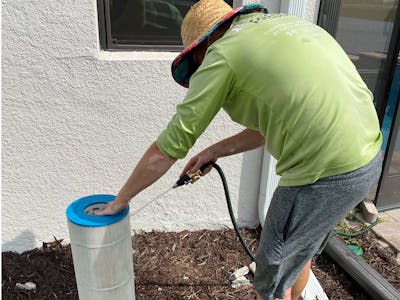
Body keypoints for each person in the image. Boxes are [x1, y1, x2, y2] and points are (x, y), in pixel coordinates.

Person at [96, 1, 383, 299]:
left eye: (196, 63)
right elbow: (267, 127)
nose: (200, 69)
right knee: (298, 251)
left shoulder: (222, 54)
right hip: (367, 156)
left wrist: (120, 201)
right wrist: (212, 151)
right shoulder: (286, 29)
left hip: (322, 172)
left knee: (271, 277)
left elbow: (166, 150)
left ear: (201, 47)